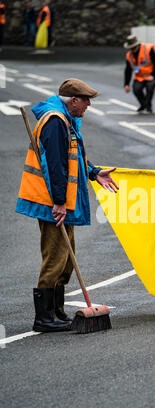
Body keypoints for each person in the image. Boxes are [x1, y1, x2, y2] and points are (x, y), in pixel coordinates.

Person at [16, 78, 119, 332]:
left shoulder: (67, 120)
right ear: (73, 101)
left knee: (66, 260)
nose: (88, 106)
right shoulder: (55, 121)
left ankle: (57, 311)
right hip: (52, 202)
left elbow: (73, 157)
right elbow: (56, 165)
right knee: (55, 257)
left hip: (62, 202)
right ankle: (44, 318)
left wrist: (94, 172)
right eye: (86, 101)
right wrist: (60, 202)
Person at [123, 34, 155, 113]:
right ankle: (143, 104)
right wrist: (126, 84)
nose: (132, 49)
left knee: (150, 87)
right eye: (130, 47)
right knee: (136, 89)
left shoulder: (148, 49)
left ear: (137, 44)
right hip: (139, 76)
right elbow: (128, 70)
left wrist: (153, 75)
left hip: (152, 74)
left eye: (133, 47)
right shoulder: (129, 56)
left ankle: (148, 106)